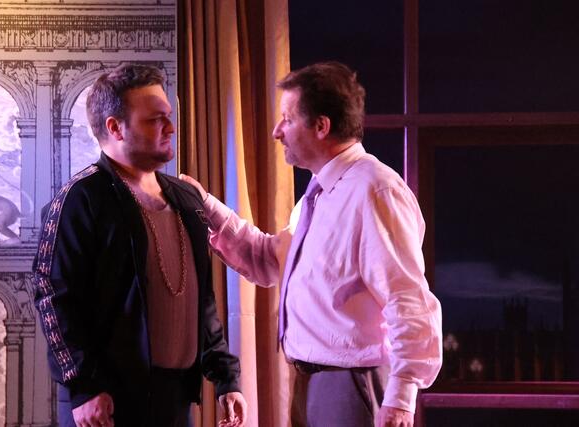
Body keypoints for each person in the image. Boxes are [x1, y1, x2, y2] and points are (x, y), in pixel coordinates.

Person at [180, 62, 442, 427]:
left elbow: (406, 297)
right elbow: (271, 259)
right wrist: (206, 206)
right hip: (311, 382)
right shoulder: (316, 197)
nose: (277, 131)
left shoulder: (374, 190)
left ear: (321, 126)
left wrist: (400, 398)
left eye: (287, 119)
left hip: (351, 384)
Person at [33, 64, 247, 427]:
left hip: (176, 401)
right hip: (105, 404)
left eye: (168, 116)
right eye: (155, 119)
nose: (170, 127)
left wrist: (226, 378)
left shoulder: (186, 198)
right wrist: (84, 386)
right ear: (115, 127)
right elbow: (53, 296)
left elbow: (201, 300)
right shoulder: (80, 199)